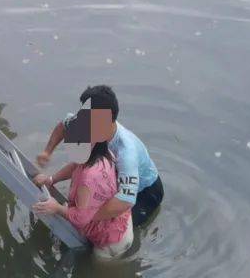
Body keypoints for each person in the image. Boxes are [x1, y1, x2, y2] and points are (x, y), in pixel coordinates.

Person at [37, 85, 164, 228]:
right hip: (113, 177)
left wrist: (82, 217)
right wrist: (48, 154)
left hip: (145, 192)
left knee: (106, 230)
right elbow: (63, 127)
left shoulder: (126, 151)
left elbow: (126, 200)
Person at [31, 88, 135, 261]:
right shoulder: (102, 152)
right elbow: (74, 166)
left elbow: (80, 218)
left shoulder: (89, 177)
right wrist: (51, 179)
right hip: (121, 223)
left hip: (111, 244)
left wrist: (56, 207)